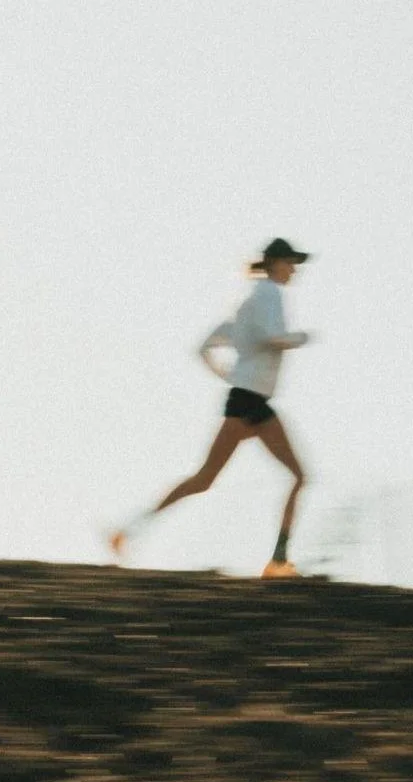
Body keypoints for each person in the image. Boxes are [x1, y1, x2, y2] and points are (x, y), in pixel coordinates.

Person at [109, 238, 314, 578]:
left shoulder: (250, 301)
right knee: (291, 476)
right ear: (277, 263)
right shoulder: (270, 295)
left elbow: (206, 346)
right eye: (291, 262)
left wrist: (228, 373)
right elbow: (273, 338)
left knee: (207, 479)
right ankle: (277, 562)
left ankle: (127, 531)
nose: (294, 269)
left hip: (246, 400)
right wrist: (299, 339)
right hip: (250, 402)